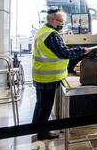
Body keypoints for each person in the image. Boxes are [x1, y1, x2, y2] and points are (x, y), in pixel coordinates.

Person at [32, 8, 90, 140]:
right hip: (48, 76)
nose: (62, 24)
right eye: (60, 21)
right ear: (52, 20)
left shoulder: (43, 31)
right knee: (46, 105)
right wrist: (83, 50)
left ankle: (35, 127)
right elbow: (64, 53)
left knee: (40, 103)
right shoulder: (51, 35)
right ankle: (42, 132)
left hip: (40, 74)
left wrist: (60, 36)